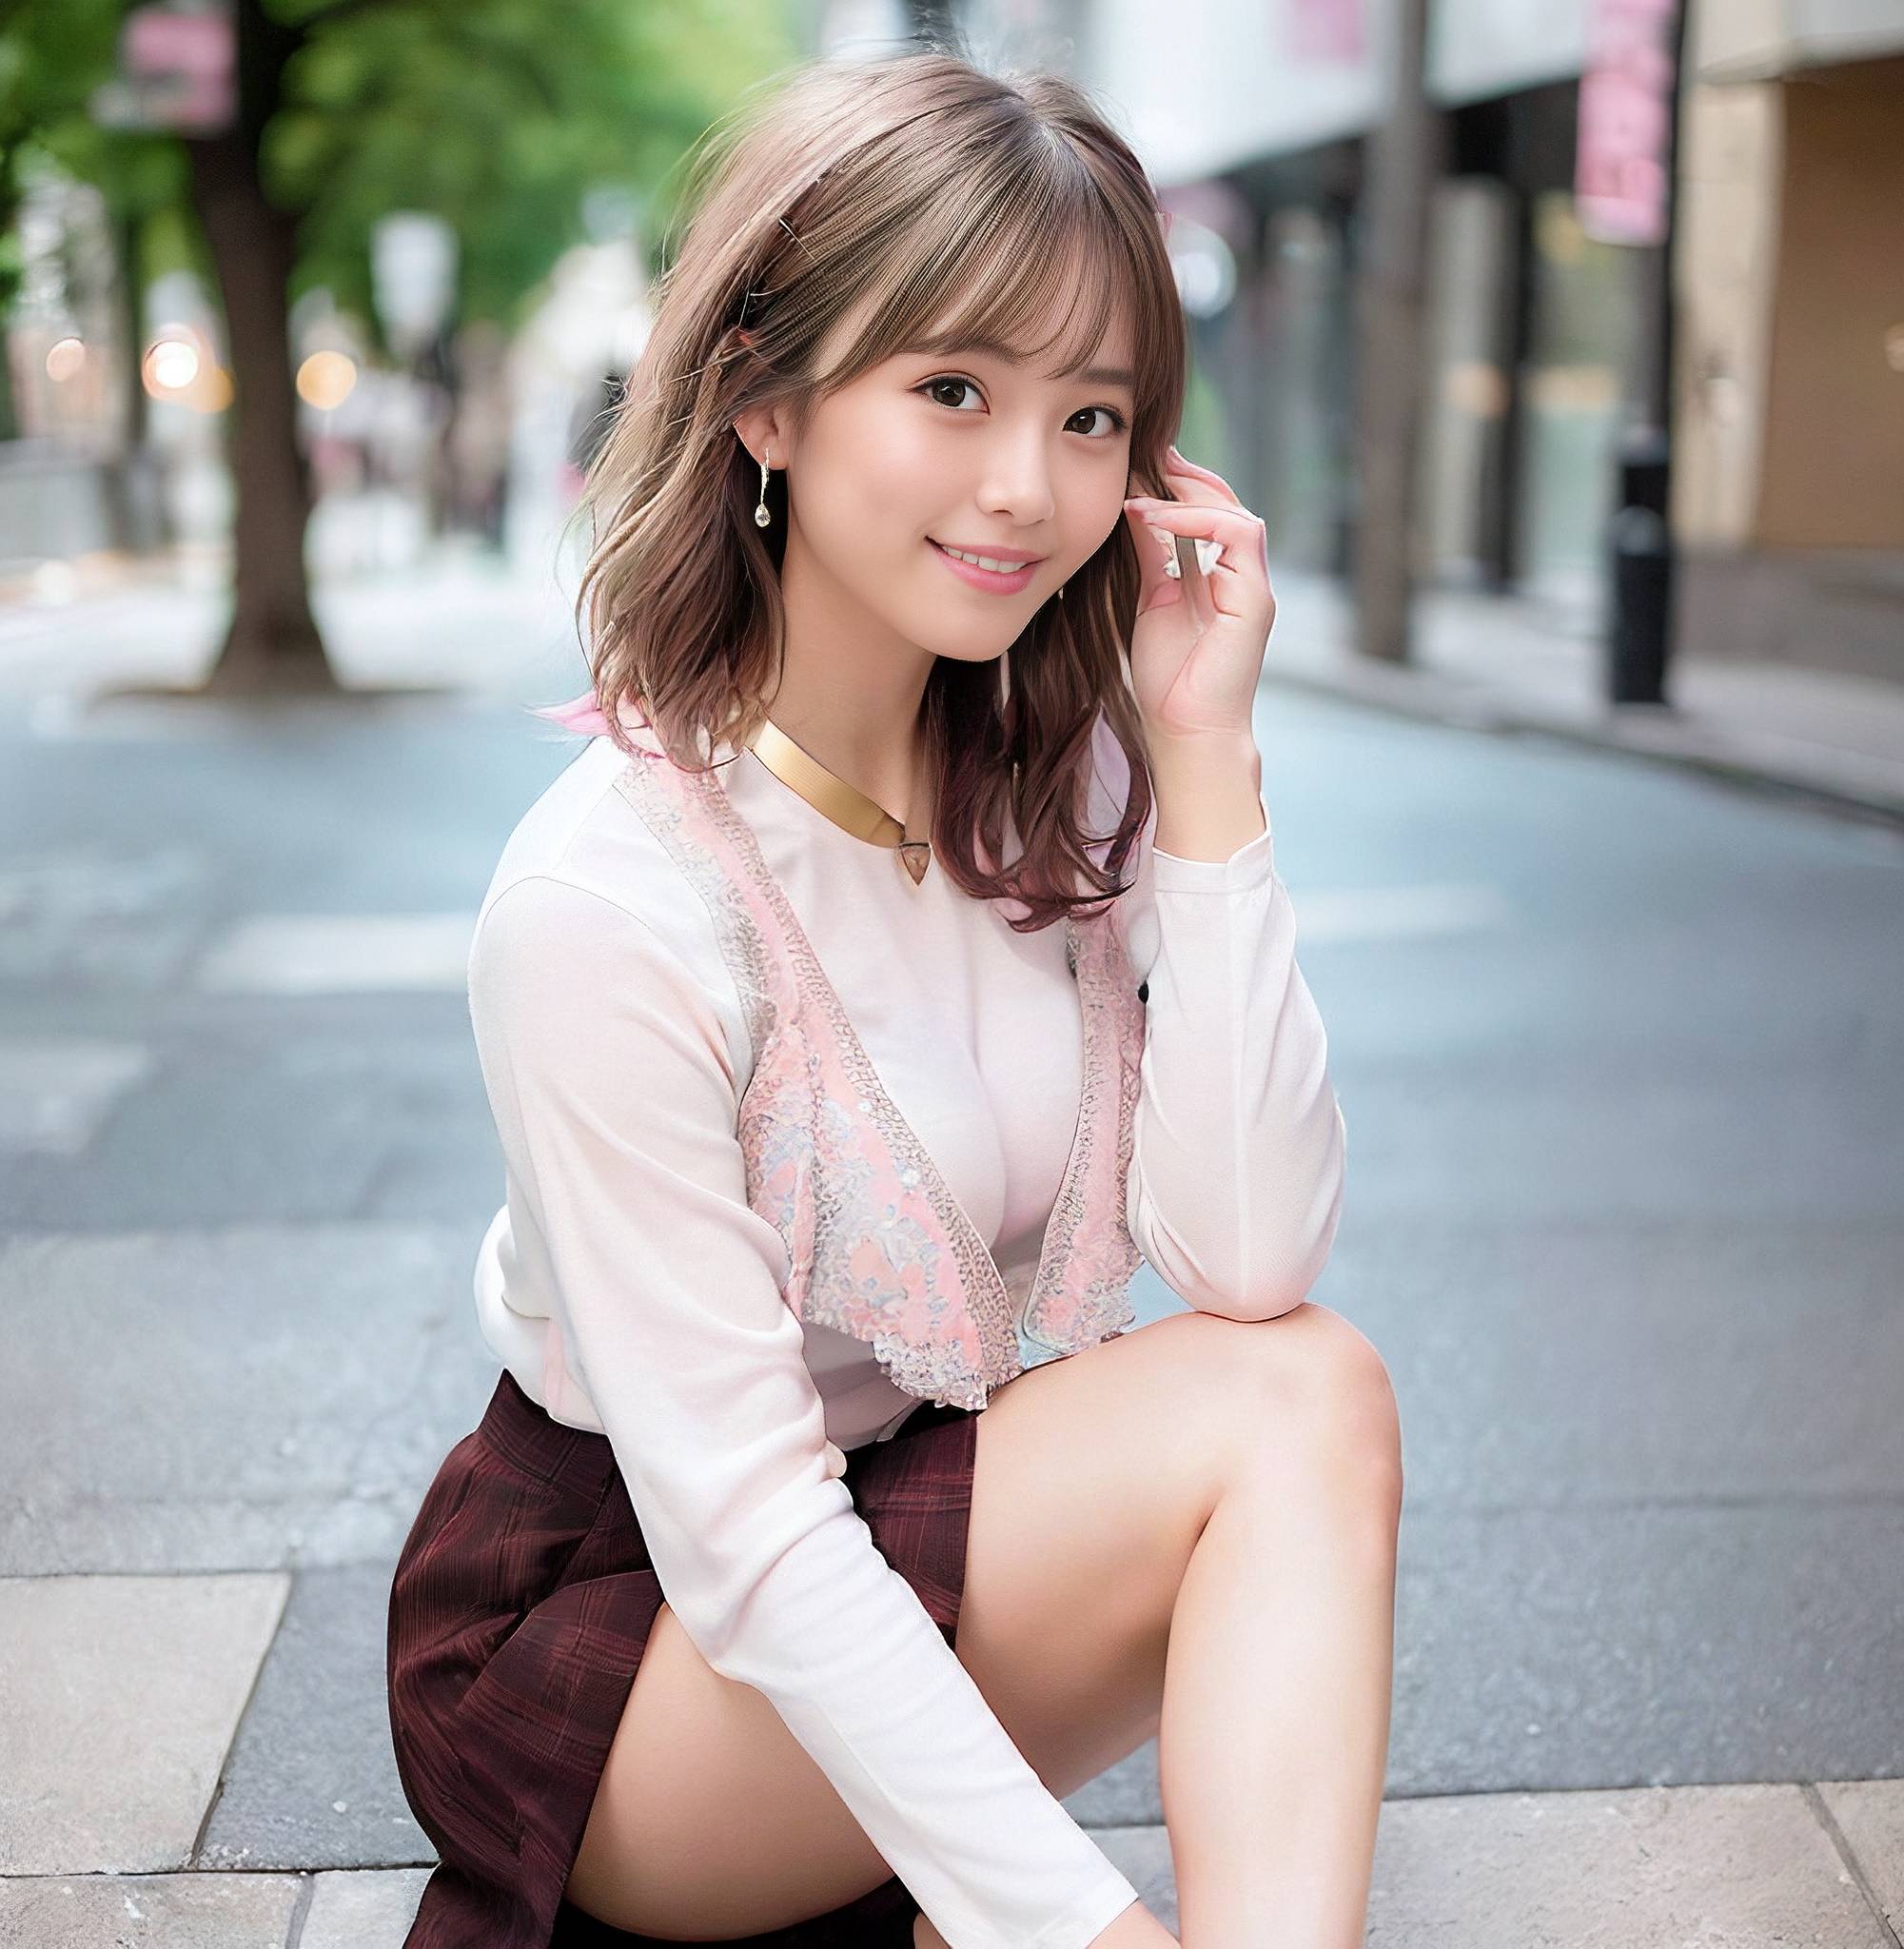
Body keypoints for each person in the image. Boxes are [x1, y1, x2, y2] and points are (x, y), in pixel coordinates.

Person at [386, 46, 1400, 1949]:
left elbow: (1251, 1261)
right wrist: (1085, 1933)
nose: (1029, 485)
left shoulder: (1064, 789)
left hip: (910, 1510)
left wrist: (1206, 764)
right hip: (622, 1645)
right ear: (762, 400)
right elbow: (750, 1535)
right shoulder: (608, 900)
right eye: (952, 390)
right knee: (1281, 1411)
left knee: (1304, 1388)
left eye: (1092, 416)